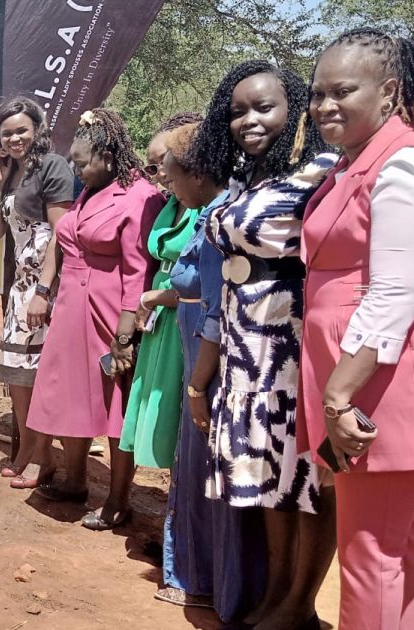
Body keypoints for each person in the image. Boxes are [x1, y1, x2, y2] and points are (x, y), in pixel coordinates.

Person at [302, 29, 414, 629]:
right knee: (391, 543)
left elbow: (395, 292)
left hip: (379, 382)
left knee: (371, 554)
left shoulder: (408, 165)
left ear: (389, 91)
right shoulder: (358, 162)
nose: (324, 106)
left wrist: (340, 395)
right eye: (318, 93)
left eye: (342, 91)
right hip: (361, 375)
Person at [188, 60, 337, 630]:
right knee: (270, 475)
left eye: (264, 107)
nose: (249, 120)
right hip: (245, 340)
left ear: (295, 109)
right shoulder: (245, 178)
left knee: (305, 477)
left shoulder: (322, 171)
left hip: (291, 342)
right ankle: (277, 595)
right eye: (237, 111)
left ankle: (301, 605)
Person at [29, 108, 165, 530]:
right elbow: (66, 238)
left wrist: (125, 330)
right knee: (72, 394)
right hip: (72, 304)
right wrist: (46, 291)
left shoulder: (139, 196)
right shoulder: (92, 188)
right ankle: (75, 482)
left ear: (107, 156)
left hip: (109, 310)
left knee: (115, 402)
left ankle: (119, 499)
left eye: (82, 162)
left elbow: (138, 268)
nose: (76, 170)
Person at [157, 122, 267, 620]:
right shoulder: (208, 215)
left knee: (210, 469)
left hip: (212, 365)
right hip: (199, 357)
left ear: (198, 174)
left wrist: (198, 386)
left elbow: (214, 314)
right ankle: (203, 574)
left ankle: (213, 581)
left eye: (171, 175)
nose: (168, 185)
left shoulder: (219, 222)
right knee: (197, 464)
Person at [0, 96, 75, 488]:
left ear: (37, 130)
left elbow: (61, 235)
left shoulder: (53, 166)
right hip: (19, 290)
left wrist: (44, 291)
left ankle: (43, 456)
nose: (15, 138)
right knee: (18, 377)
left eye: (22, 130)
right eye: (7, 133)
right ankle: (29, 452)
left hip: (46, 287)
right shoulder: (10, 173)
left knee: (39, 376)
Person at [121, 114, 206, 469]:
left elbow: (200, 279)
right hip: (158, 311)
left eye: (164, 163)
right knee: (154, 400)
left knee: (174, 403)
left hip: (183, 311)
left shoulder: (204, 204)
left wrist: (152, 298)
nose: (160, 174)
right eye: (152, 167)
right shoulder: (170, 202)